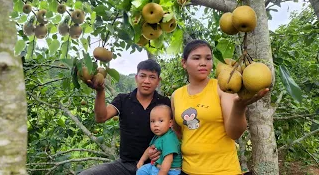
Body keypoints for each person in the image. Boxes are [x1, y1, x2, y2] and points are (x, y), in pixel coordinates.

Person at [170, 40, 269, 175]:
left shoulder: (223, 88)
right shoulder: (176, 95)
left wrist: (239, 108)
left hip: (223, 170)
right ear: (184, 63)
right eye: (196, 58)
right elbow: (178, 131)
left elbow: (234, 133)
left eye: (208, 58)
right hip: (188, 170)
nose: (203, 62)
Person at [79, 59, 170, 175]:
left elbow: (175, 131)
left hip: (155, 165)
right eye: (143, 76)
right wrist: (100, 91)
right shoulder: (123, 99)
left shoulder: (164, 103)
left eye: (152, 77)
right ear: (136, 78)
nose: (146, 81)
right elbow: (101, 117)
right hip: (124, 165)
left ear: (158, 81)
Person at [136, 104, 182, 175]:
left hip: (170, 170)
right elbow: (149, 148)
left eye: (160, 121)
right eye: (152, 121)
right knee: (141, 171)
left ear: (170, 123)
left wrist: (161, 173)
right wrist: (141, 160)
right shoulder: (158, 136)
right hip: (157, 166)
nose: (155, 124)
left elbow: (168, 160)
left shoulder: (169, 138)